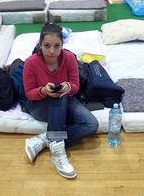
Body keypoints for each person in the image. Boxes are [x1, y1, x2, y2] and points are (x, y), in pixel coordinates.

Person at [23, 23, 99, 179]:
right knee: (59, 96)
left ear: (62, 45)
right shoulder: (31, 62)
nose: (52, 51)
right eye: (47, 45)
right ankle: (58, 151)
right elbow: (29, 93)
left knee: (91, 124)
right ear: (40, 44)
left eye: (57, 46)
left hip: (65, 101)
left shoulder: (69, 58)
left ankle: (46, 139)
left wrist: (68, 87)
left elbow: (76, 85)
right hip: (39, 105)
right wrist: (43, 90)